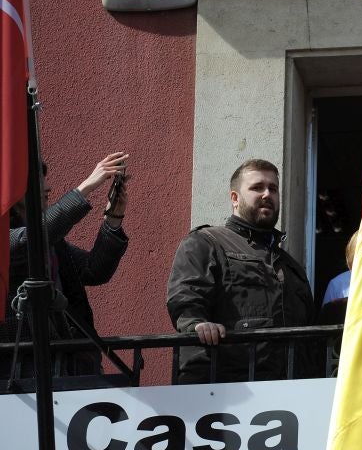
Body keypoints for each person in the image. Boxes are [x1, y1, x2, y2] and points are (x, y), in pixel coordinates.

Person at [166, 159, 315, 383]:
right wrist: (196, 325)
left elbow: (311, 336)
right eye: (257, 187)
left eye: (273, 188)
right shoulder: (207, 242)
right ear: (234, 198)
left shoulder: (291, 266)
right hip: (227, 393)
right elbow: (186, 301)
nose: (267, 194)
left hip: (293, 395)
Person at [3, 153, 130, 376]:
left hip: (69, 364)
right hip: (21, 370)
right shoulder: (10, 238)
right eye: (35, 181)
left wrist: (113, 218)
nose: (47, 188)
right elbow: (31, 239)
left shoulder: (53, 243)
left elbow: (94, 270)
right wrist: (86, 187)